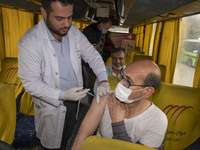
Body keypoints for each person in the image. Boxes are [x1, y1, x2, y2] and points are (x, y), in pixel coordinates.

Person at [17, 0, 110, 149]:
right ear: (44, 12)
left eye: (70, 17)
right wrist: (63, 94)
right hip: (52, 104)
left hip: (77, 101)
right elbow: (31, 83)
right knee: (52, 144)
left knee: (71, 138)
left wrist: (104, 80)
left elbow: (93, 56)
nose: (66, 24)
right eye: (59, 19)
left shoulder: (73, 32)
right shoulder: (30, 42)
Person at [72, 60, 168, 150]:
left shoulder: (157, 121)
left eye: (128, 81)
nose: (120, 83)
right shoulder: (104, 98)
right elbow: (81, 137)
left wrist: (118, 123)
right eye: (122, 76)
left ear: (147, 91)